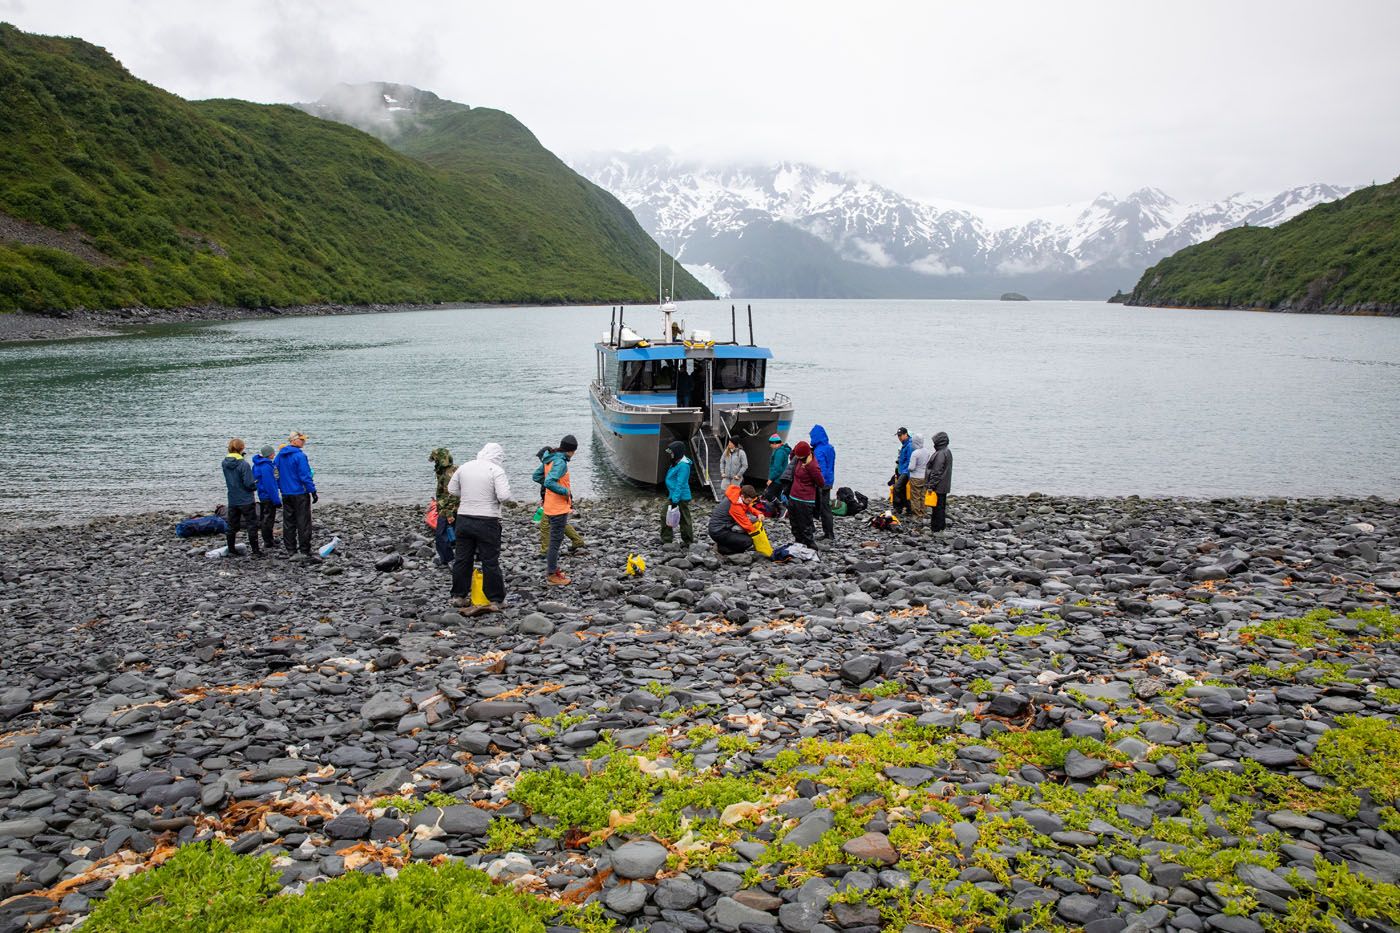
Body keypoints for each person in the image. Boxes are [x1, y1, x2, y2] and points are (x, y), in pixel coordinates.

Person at [448, 443, 510, 613]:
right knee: (489, 560)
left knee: (462, 558)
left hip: (464, 518)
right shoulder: (496, 470)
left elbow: (451, 490)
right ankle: (496, 599)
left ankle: (459, 596)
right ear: (498, 457)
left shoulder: (465, 467)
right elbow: (504, 496)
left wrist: (469, 495)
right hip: (487, 519)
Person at [532, 434, 577, 586]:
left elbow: (537, 476)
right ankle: (552, 575)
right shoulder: (561, 462)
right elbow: (550, 481)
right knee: (555, 542)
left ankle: (554, 569)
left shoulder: (549, 459)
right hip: (558, 507)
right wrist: (565, 491)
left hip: (549, 505)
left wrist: (549, 487)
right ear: (572, 450)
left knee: (554, 540)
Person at [275, 431, 317, 560]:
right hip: (300, 493)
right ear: (293, 441)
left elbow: (275, 473)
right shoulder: (300, 456)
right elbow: (305, 475)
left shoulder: (279, 456)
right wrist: (312, 490)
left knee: (289, 522)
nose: (304, 441)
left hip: (286, 493)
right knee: (303, 522)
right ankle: (304, 549)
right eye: (302, 439)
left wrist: (280, 486)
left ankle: (291, 549)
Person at [221, 438, 260, 557]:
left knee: (232, 526)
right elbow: (248, 484)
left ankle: (231, 549)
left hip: (232, 498)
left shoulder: (224, 463)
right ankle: (255, 550)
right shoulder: (244, 464)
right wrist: (256, 484)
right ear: (242, 449)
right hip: (246, 499)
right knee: (251, 524)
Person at [785, 440, 823, 548]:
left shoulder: (813, 465)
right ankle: (798, 543)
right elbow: (792, 456)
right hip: (793, 497)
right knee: (794, 524)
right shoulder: (798, 460)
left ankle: (810, 546)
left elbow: (820, 482)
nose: (797, 457)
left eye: (799, 455)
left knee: (805, 525)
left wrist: (809, 468)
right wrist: (796, 448)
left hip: (805, 500)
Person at [708, 483, 762, 556]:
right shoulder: (735, 506)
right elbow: (746, 524)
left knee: (748, 532)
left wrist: (758, 513)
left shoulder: (737, 495)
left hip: (723, 527)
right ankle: (722, 549)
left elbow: (748, 506)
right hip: (718, 532)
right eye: (749, 501)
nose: (750, 503)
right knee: (748, 541)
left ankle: (724, 544)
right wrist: (757, 534)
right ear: (742, 496)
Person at [660, 440, 694, 547]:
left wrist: (675, 499)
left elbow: (680, 483)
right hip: (674, 494)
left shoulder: (683, 466)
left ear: (677, 452)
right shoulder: (677, 462)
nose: (671, 454)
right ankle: (667, 539)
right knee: (666, 515)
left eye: (672, 453)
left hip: (680, 497)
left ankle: (688, 541)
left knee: (683, 519)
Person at [429, 448, 458, 567]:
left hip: (450, 508)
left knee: (441, 534)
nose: (434, 463)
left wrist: (448, 513)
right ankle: (466, 555)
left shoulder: (448, 475)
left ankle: (448, 559)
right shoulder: (453, 469)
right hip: (457, 507)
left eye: (435, 460)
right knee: (457, 531)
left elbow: (450, 495)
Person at [809, 424, 836, 540]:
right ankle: (828, 532)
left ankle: (828, 534)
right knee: (826, 507)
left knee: (823, 508)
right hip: (829, 480)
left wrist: (818, 482)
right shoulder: (830, 448)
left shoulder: (818, 451)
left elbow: (821, 469)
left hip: (822, 482)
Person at [252, 445, 280, 550]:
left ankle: (268, 539)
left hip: (262, 494)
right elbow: (270, 485)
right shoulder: (266, 466)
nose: (274, 454)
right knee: (268, 519)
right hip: (268, 496)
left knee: (265, 518)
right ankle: (268, 541)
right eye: (273, 452)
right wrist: (276, 500)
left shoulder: (256, 465)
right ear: (269, 454)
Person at [925, 431, 953, 533]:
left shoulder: (941, 453)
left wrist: (930, 486)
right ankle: (940, 527)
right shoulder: (947, 451)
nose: (933, 443)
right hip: (944, 485)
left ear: (939, 442)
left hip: (938, 486)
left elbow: (936, 472)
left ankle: (937, 528)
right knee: (941, 507)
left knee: (937, 508)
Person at [907, 434, 931, 521]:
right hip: (925, 476)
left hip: (916, 477)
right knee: (923, 495)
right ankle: (924, 512)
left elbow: (911, 467)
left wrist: (908, 468)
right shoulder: (927, 451)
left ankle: (917, 515)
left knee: (915, 497)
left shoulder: (915, 453)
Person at [891, 427, 913, 516]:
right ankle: (908, 508)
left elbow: (909, 460)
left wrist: (905, 472)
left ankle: (897, 508)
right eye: (898, 436)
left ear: (905, 434)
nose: (899, 437)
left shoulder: (909, 445)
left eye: (900, 435)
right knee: (902, 490)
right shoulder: (904, 444)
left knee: (897, 487)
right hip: (901, 470)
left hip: (906, 472)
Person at [763, 433, 791, 502]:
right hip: (780, 479)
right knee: (777, 495)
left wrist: (771, 479)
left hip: (777, 479)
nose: (770, 445)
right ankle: (779, 509)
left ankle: (781, 507)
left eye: (771, 444)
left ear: (775, 443)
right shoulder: (782, 450)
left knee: (768, 494)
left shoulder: (779, 452)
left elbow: (777, 468)